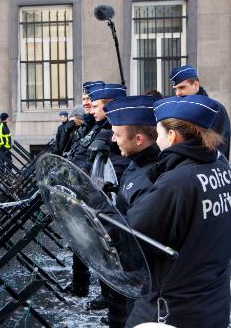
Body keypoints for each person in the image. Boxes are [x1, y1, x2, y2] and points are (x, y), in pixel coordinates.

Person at [125, 94, 231, 328]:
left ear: (172, 136)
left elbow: (131, 239)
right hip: (212, 305)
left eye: (159, 133)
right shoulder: (221, 165)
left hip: (173, 311)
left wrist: (133, 182)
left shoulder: (178, 181)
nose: (157, 140)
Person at [101, 95, 162, 327]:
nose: (113, 140)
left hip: (136, 274)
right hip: (125, 269)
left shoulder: (151, 175)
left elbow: (138, 238)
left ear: (138, 139)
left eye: (117, 135)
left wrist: (104, 216)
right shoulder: (137, 161)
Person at [64, 81, 127, 302]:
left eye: (93, 102)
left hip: (99, 195)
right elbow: (73, 152)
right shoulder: (92, 126)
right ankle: (88, 287)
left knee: (104, 247)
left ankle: (108, 296)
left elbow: (100, 163)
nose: (88, 104)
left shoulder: (108, 130)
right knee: (85, 242)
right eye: (86, 100)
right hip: (84, 191)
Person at [170, 64, 230, 158]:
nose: (178, 93)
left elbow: (219, 147)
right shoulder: (178, 109)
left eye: (182, 87)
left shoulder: (216, 109)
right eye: (175, 89)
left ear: (196, 85)